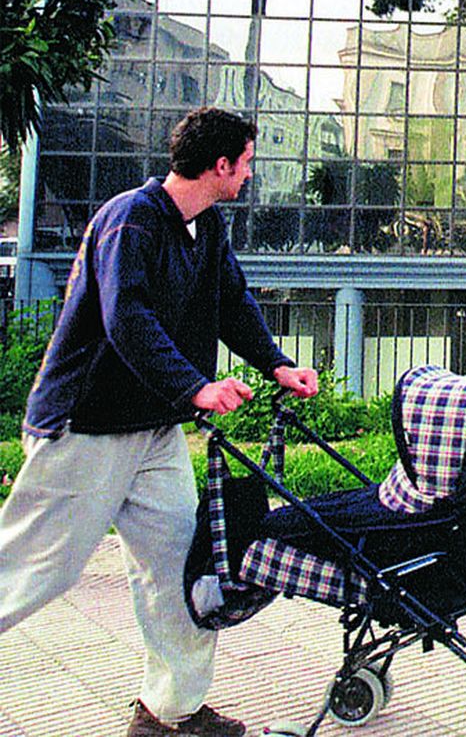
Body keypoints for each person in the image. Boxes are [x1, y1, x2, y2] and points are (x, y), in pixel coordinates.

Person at [0, 107, 318, 737]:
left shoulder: (207, 226)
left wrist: (277, 364)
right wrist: (197, 388)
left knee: (181, 567)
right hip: (87, 427)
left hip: (153, 431)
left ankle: (169, 712)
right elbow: (128, 322)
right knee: (36, 567)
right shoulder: (131, 220)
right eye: (248, 162)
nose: (250, 175)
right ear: (221, 164)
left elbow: (232, 301)